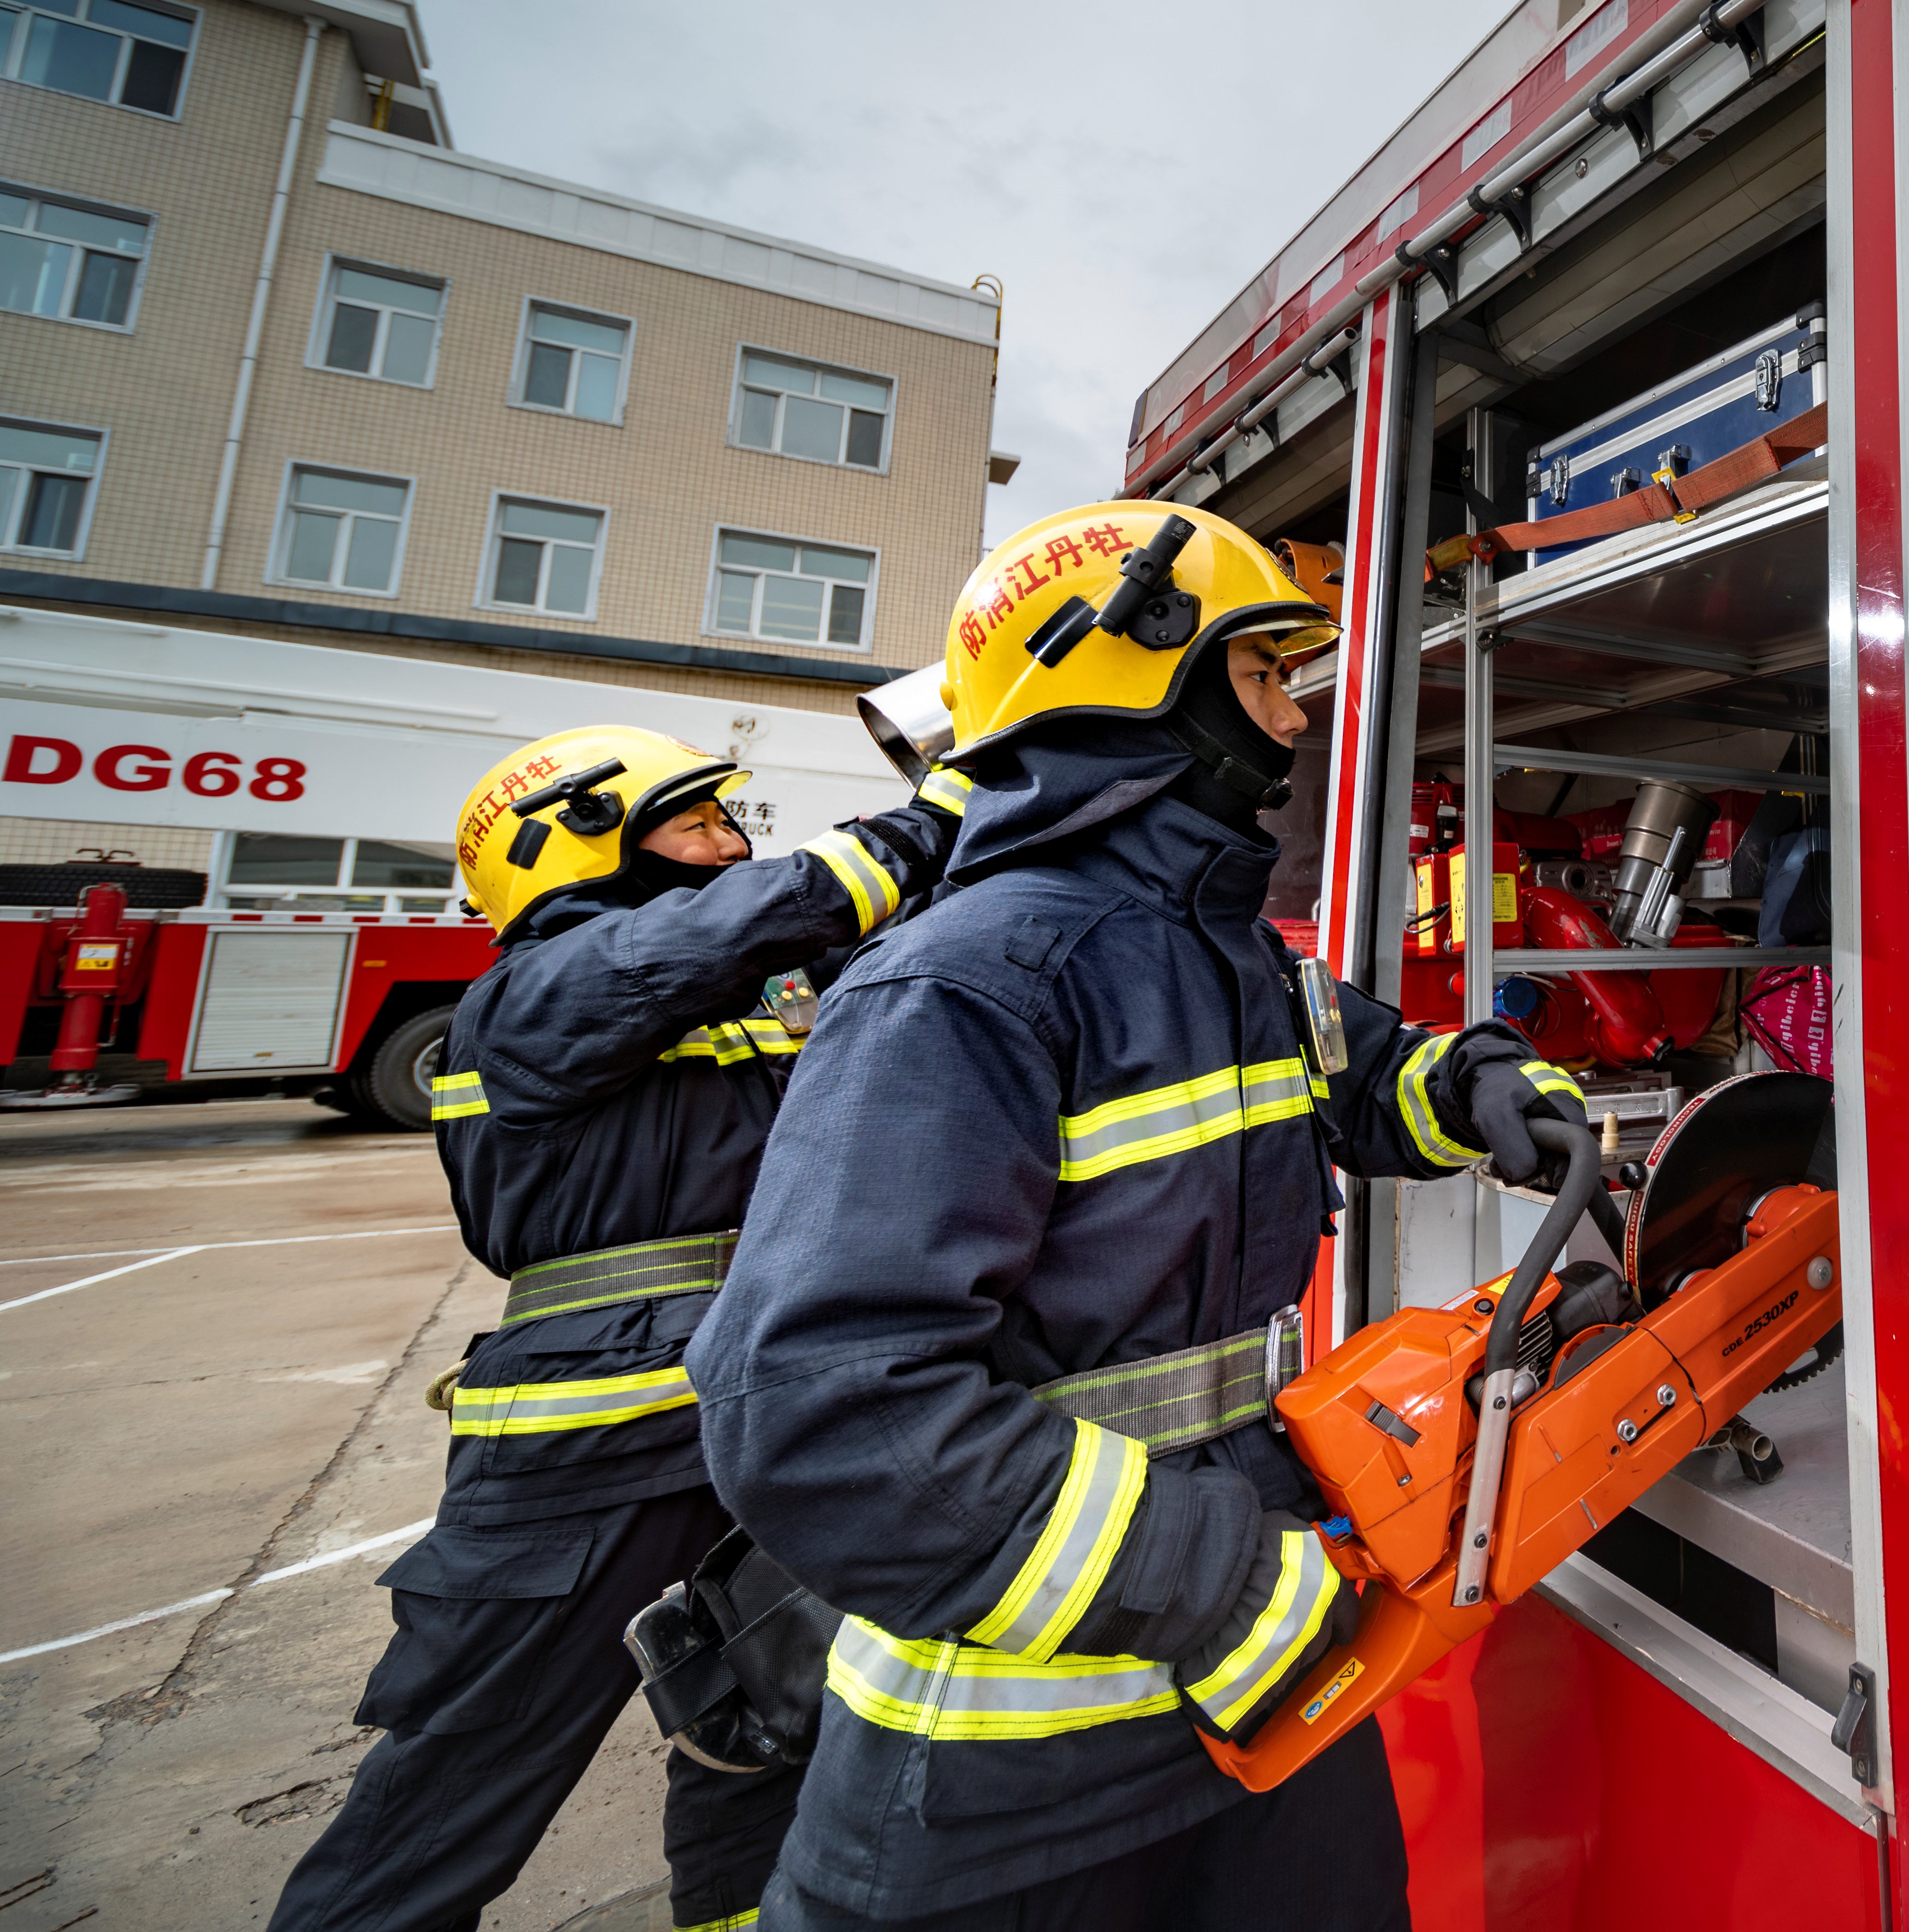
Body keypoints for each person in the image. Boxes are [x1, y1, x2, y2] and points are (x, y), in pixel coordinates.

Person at [687, 504, 1588, 1929]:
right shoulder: (966, 988)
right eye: (1263, 675)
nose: (1294, 720)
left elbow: (1353, 1073)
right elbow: (825, 1413)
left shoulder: (1215, 956)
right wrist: (1222, 1587)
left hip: (1266, 1700)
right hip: (1015, 1772)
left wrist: (1477, 1084)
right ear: (1135, 669)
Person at [269, 728, 964, 1932]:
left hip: (749, 1426)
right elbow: (761, 914)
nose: (732, 848)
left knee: (761, 1734)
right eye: (697, 827)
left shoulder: (725, 990)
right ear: (570, 848)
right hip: (586, 1464)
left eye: (732, 826)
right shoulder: (538, 995)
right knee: (452, 1800)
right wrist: (955, 793)